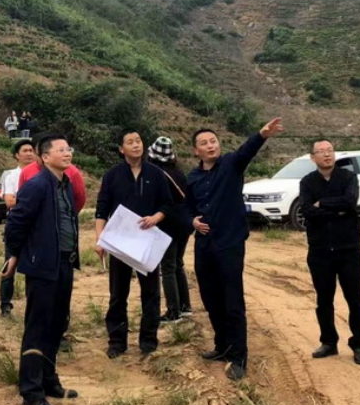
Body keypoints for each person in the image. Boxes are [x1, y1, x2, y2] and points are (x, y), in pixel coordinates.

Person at [186, 118, 283, 381]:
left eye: (213, 141)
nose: (210, 145)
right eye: (204, 143)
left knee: (232, 301)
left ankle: (239, 357)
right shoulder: (193, 177)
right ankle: (222, 347)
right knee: (210, 298)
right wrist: (191, 221)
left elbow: (246, 151)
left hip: (229, 244)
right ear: (196, 150)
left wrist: (261, 135)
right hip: (204, 245)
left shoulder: (231, 164)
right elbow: (186, 208)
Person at [3, 134, 80, 405]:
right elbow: (16, 222)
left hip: (64, 263)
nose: (67, 153)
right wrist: (14, 255)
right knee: (38, 327)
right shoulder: (36, 185)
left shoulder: (65, 183)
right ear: (45, 157)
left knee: (57, 324)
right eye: (61, 150)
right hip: (42, 265)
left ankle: (49, 380)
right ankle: (31, 392)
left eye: (68, 149)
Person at [95, 130, 173, 358]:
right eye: (130, 142)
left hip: (147, 242)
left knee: (151, 293)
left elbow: (168, 204)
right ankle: (117, 342)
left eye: (138, 141)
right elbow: (102, 208)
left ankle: (148, 341)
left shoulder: (156, 174)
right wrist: (100, 239)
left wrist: (156, 217)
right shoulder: (112, 175)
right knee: (118, 294)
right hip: (120, 243)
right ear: (122, 149)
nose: (136, 145)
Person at [300, 140, 360, 365]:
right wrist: (335, 210)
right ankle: (329, 342)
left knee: (355, 300)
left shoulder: (348, 177)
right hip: (320, 250)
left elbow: (349, 202)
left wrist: (322, 204)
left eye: (329, 151)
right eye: (321, 152)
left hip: (349, 249)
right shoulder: (307, 182)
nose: (326, 155)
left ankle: (359, 344)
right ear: (313, 157)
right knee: (323, 300)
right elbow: (307, 211)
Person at [147, 136, 193, 323]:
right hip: (185, 223)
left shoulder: (157, 175)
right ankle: (185, 307)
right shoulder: (178, 173)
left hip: (169, 224)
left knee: (167, 268)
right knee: (178, 264)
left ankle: (173, 312)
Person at [0, 139, 37, 317]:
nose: (29, 153)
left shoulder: (41, 174)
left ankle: (34, 304)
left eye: (31, 150)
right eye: (25, 151)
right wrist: (33, 204)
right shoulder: (11, 177)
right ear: (16, 155)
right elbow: (9, 201)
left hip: (36, 227)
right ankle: (5, 304)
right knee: (9, 264)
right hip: (17, 225)